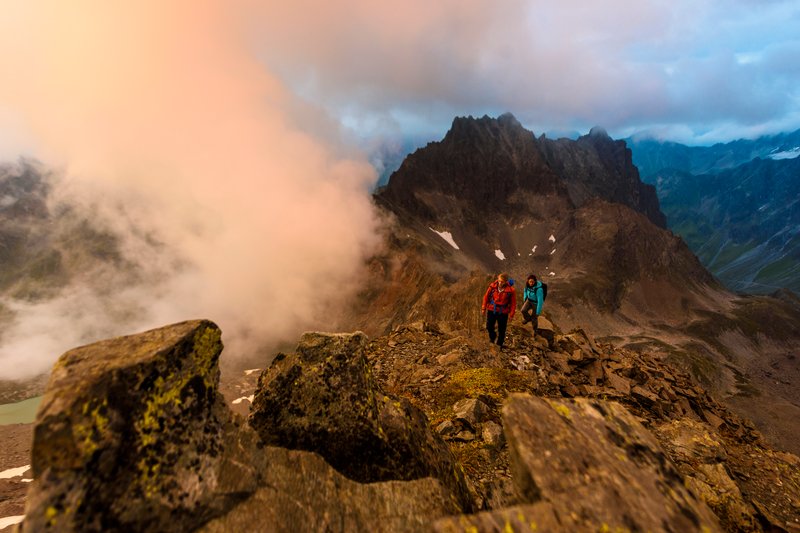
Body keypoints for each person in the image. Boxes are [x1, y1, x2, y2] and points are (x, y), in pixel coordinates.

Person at [481, 272, 517, 349]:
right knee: (489, 326)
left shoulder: (511, 291)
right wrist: (483, 308)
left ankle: (499, 345)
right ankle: (492, 337)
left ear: (506, 282)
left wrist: (511, 314)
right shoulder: (492, 286)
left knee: (502, 330)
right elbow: (486, 297)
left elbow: (513, 303)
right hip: (491, 309)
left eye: (502, 281)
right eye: (499, 280)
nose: (500, 283)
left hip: (503, 312)